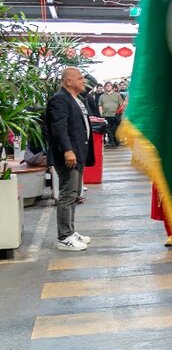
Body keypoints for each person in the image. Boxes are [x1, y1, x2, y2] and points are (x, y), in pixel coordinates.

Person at [46, 67, 94, 252]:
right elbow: (59, 128)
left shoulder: (76, 99)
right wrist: (67, 150)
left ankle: (70, 231)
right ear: (68, 81)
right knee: (68, 194)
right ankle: (64, 237)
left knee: (74, 194)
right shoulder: (59, 99)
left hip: (79, 154)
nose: (84, 81)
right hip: (69, 156)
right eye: (80, 78)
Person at [99, 82, 125, 147]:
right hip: (106, 115)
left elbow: (121, 104)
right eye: (107, 86)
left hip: (115, 115)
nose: (108, 87)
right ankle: (111, 142)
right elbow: (100, 105)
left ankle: (116, 142)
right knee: (108, 130)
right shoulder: (102, 96)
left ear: (112, 87)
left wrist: (119, 113)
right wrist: (101, 114)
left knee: (115, 129)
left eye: (109, 85)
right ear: (105, 87)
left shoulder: (117, 95)